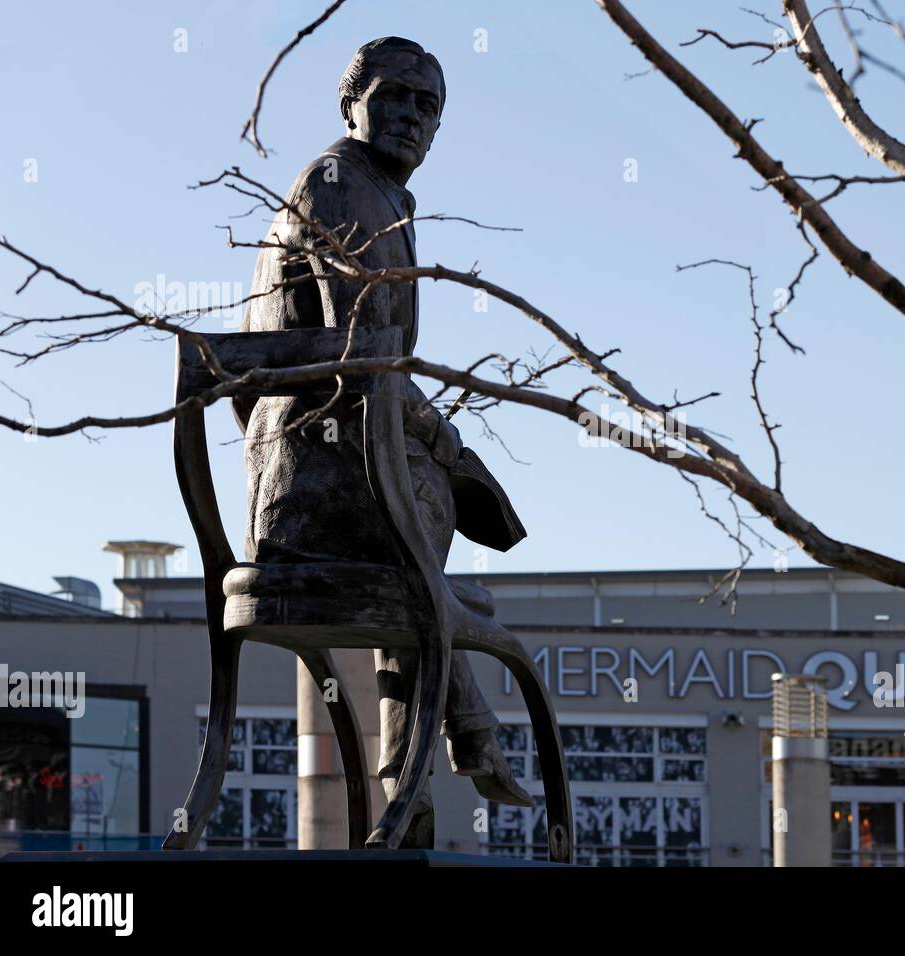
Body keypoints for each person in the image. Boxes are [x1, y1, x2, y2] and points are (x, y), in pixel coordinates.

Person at [237, 36, 531, 846]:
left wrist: (437, 444)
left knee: (433, 574)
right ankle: (440, 762)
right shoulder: (340, 186)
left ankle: (425, 784)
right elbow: (364, 358)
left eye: (427, 106)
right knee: (432, 578)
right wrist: (445, 440)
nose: (410, 116)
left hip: (346, 471)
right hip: (318, 486)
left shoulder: (381, 197)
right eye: (394, 95)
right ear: (350, 102)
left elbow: (372, 366)